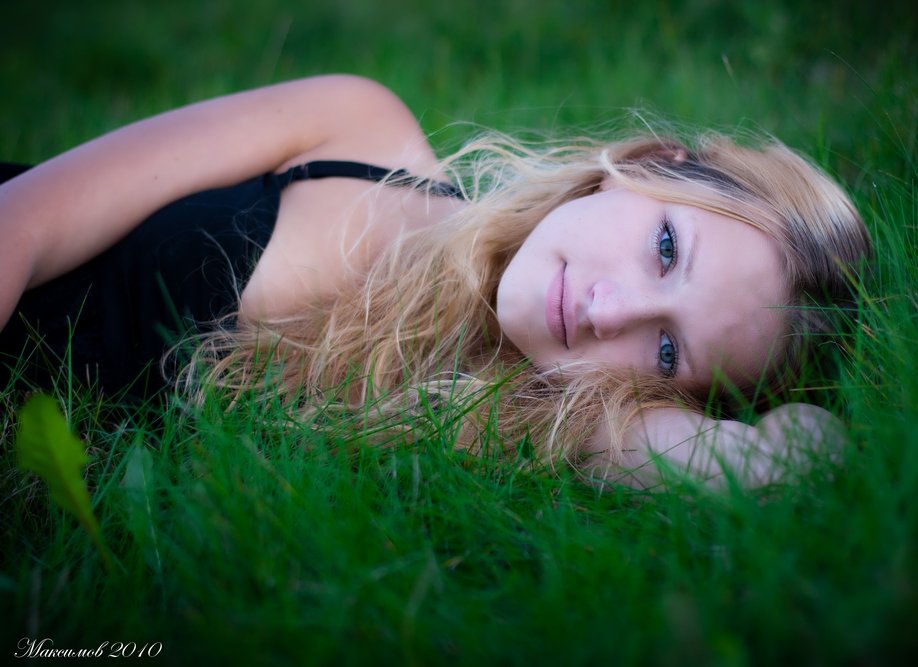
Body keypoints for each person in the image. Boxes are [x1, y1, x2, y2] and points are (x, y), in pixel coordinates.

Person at [0, 75, 870, 488]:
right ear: (648, 166)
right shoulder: (357, 129)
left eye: (668, 349)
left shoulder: (526, 423)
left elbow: (758, 461)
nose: (610, 312)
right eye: (667, 248)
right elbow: (27, 220)